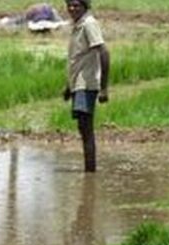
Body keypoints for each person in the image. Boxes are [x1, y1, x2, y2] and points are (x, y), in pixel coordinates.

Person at [63, 0, 109, 172]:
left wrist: (104, 88)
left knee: (86, 127)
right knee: (83, 128)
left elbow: (104, 52)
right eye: (69, 5)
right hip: (78, 83)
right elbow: (78, 59)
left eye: (76, 5)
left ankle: (90, 173)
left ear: (85, 6)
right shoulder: (78, 25)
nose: (72, 9)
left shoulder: (89, 24)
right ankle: (89, 169)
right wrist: (69, 86)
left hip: (86, 83)